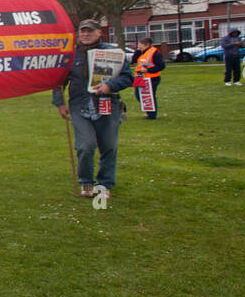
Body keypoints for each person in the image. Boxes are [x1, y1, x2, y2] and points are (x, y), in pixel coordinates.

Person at [53, 19, 134, 198]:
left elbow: (128, 77)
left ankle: (104, 184)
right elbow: (59, 81)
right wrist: (59, 103)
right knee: (86, 145)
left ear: (99, 32)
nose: (85, 34)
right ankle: (86, 182)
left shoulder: (112, 52)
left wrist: (109, 86)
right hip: (79, 106)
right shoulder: (70, 54)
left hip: (107, 105)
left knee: (109, 147)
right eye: (82, 31)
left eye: (90, 31)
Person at [132, 36, 165, 119]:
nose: (139, 47)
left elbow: (161, 66)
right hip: (140, 77)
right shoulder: (140, 52)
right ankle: (149, 112)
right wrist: (137, 52)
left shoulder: (155, 53)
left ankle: (151, 115)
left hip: (151, 78)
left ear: (147, 45)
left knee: (149, 96)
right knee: (138, 95)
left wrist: (148, 70)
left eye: (140, 46)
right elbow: (134, 61)